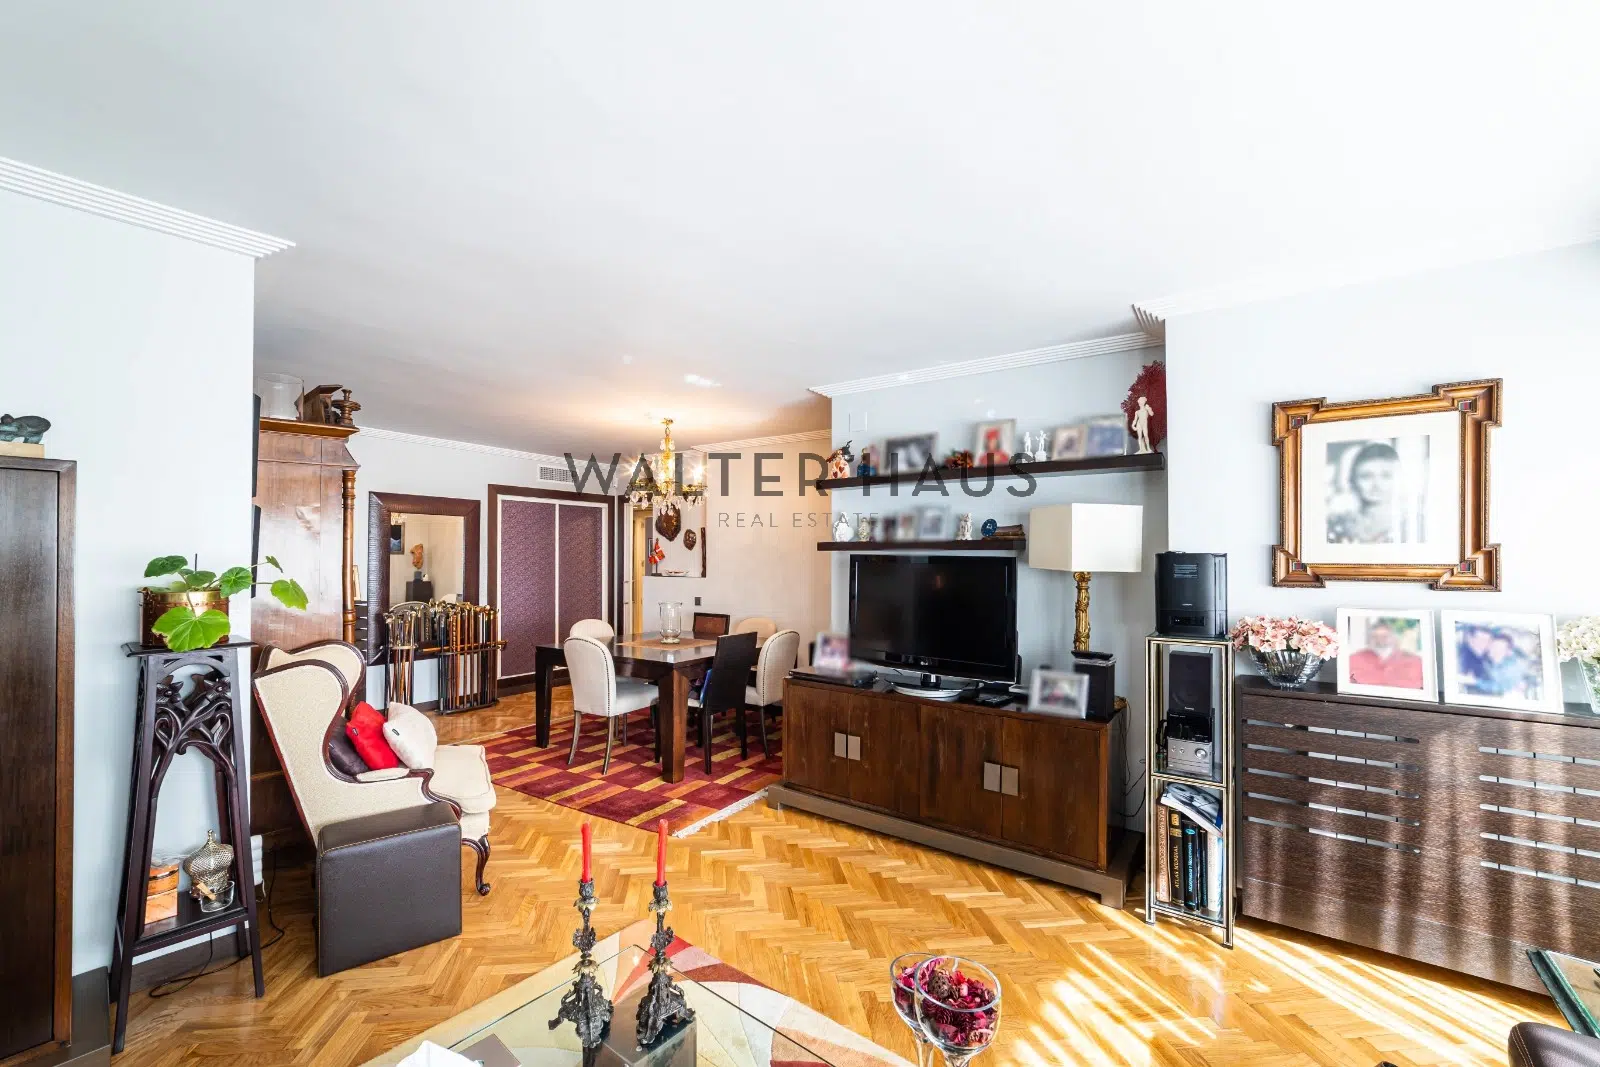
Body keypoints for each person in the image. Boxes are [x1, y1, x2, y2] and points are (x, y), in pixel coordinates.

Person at [1327, 441, 1405, 544]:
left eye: (1386, 476)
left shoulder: (1409, 525)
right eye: (1366, 476)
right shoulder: (1336, 525)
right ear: (1352, 480)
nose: (1377, 485)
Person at [1347, 620, 1423, 690]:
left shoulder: (1414, 661)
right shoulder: (1354, 659)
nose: (1380, 639)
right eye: (1375, 636)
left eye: (1385, 636)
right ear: (1370, 638)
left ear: (1393, 637)